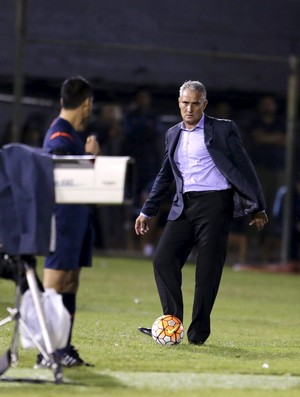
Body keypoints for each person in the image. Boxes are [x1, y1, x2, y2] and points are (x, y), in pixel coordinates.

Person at [135, 80, 268, 345]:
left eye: (196, 103)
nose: (190, 108)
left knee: (207, 272)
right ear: (179, 103)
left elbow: (245, 168)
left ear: (204, 105)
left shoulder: (223, 129)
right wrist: (147, 210)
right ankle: (172, 324)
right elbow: (165, 175)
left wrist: (258, 206)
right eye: (185, 103)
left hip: (215, 206)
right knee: (163, 259)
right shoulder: (173, 133)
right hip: (183, 205)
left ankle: (198, 335)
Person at [36, 76, 100, 368]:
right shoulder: (60, 136)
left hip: (76, 218)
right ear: (86, 103)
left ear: (63, 100)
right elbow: (58, 176)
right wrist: (89, 158)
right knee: (55, 284)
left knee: (70, 282)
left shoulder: (72, 133)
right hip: (62, 219)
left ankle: (64, 348)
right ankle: (46, 351)